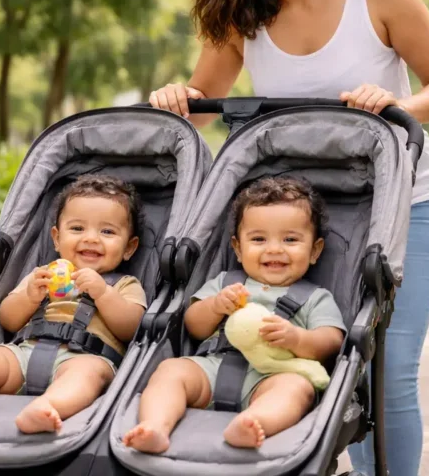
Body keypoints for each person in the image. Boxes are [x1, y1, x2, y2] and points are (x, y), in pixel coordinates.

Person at [147, 0, 429, 475]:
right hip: (303, 223)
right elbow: (201, 104)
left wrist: (399, 104)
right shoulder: (242, 16)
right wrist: (173, 100)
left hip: (406, 206)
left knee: (385, 371)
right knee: (331, 365)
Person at [123, 177, 345, 452]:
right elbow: (194, 326)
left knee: (296, 388)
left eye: (290, 239)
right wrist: (215, 306)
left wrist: (297, 338)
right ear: (238, 249)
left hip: (272, 375)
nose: (274, 248)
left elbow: (332, 341)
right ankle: (155, 425)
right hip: (213, 366)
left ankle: (253, 422)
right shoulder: (225, 282)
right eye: (259, 239)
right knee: (171, 370)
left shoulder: (315, 297)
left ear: (315, 250)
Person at [0, 174, 147, 435]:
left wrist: (103, 293)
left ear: (129, 247)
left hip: (84, 357)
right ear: (56, 238)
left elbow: (132, 328)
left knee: (89, 374)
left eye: (107, 231)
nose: (91, 238)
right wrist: (30, 296)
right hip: (25, 352)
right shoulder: (41, 275)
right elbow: (8, 320)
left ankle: (46, 408)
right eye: (77, 228)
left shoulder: (124, 284)